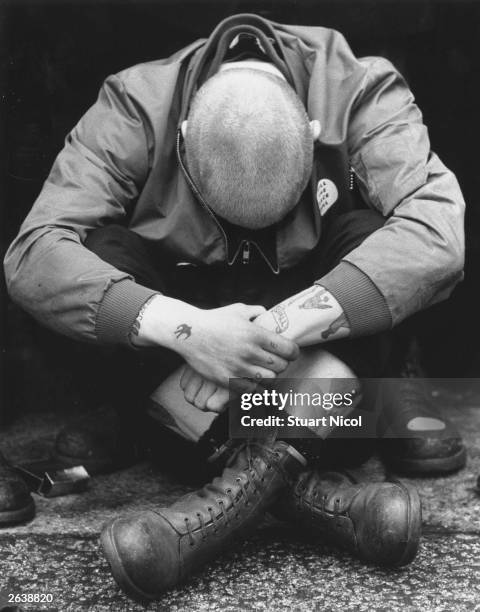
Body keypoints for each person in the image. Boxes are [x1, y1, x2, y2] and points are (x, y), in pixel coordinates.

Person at [3, 13, 464, 599]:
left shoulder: (362, 88)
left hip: (304, 329)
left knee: (375, 232)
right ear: (184, 138)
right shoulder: (134, 105)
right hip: (207, 328)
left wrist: (268, 335)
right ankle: (319, 478)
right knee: (102, 250)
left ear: (312, 130)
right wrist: (190, 331)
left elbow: (439, 235)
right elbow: (34, 254)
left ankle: (188, 449)